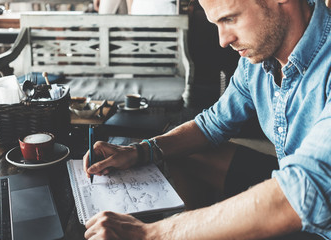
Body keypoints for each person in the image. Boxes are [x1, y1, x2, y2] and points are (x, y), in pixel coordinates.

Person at [83, 0, 331, 239]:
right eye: (217, 24)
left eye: (230, 18)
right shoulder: (257, 58)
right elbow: (212, 124)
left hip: (318, 210)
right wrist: (141, 151)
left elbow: (305, 190)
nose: (223, 41)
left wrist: (152, 234)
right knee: (180, 152)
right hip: (290, 177)